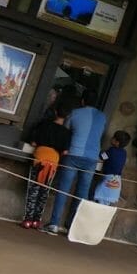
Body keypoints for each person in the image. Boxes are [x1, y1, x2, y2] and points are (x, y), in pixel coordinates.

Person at [43, 89, 107, 235]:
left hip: (73, 154)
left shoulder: (76, 113)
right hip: (92, 158)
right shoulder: (102, 117)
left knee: (63, 190)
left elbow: (66, 130)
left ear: (83, 101)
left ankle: (53, 224)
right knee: (82, 194)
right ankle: (72, 227)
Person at [20, 99, 71, 228]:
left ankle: (27, 220)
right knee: (44, 191)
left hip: (39, 159)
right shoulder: (66, 133)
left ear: (54, 112)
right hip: (53, 162)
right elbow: (65, 152)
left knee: (33, 189)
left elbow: (33, 143)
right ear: (67, 116)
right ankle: (37, 220)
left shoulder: (43, 125)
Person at [92, 130, 132, 206]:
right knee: (107, 200)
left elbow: (101, 157)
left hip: (108, 178)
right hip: (117, 180)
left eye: (114, 138)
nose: (111, 138)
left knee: (100, 197)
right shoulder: (124, 153)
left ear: (117, 142)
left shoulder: (111, 151)